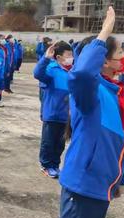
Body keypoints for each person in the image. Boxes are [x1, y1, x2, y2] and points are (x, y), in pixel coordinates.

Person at [56, 7, 124, 218]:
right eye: (119, 51)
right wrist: (104, 33)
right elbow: (80, 75)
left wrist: (120, 178)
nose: (123, 56)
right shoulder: (93, 94)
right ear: (103, 61)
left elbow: (122, 142)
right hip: (82, 188)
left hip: (103, 189)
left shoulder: (118, 95)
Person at [33, 41, 73, 179]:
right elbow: (37, 73)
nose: (71, 58)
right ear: (58, 57)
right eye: (68, 55)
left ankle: (55, 164)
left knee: (60, 143)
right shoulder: (51, 69)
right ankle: (46, 165)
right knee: (48, 142)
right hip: (52, 114)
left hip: (66, 116)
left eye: (72, 55)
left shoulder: (71, 71)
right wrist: (45, 58)